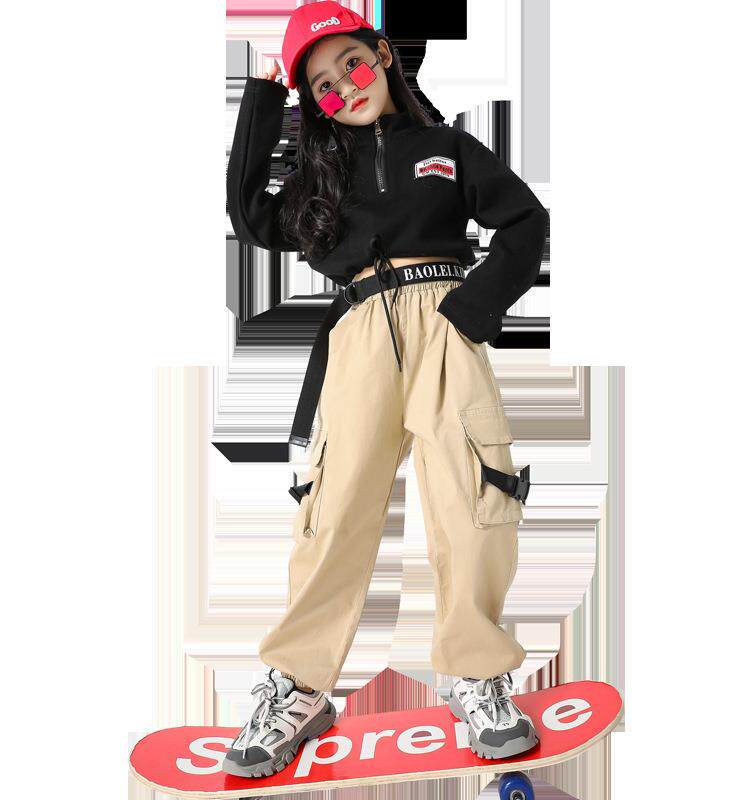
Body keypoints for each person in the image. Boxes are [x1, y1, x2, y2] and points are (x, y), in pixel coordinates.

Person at [223, 2, 548, 778]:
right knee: (334, 509)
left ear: (383, 57)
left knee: (473, 497)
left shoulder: (445, 150)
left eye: (353, 64)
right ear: (312, 103)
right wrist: (265, 101)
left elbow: (525, 222)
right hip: (361, 333)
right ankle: (300, 687)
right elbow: (249, 215)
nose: (345, 86)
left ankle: (475, 673)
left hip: (445, 323)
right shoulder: (318, 182)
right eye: (323, 85)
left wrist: (474, 309)